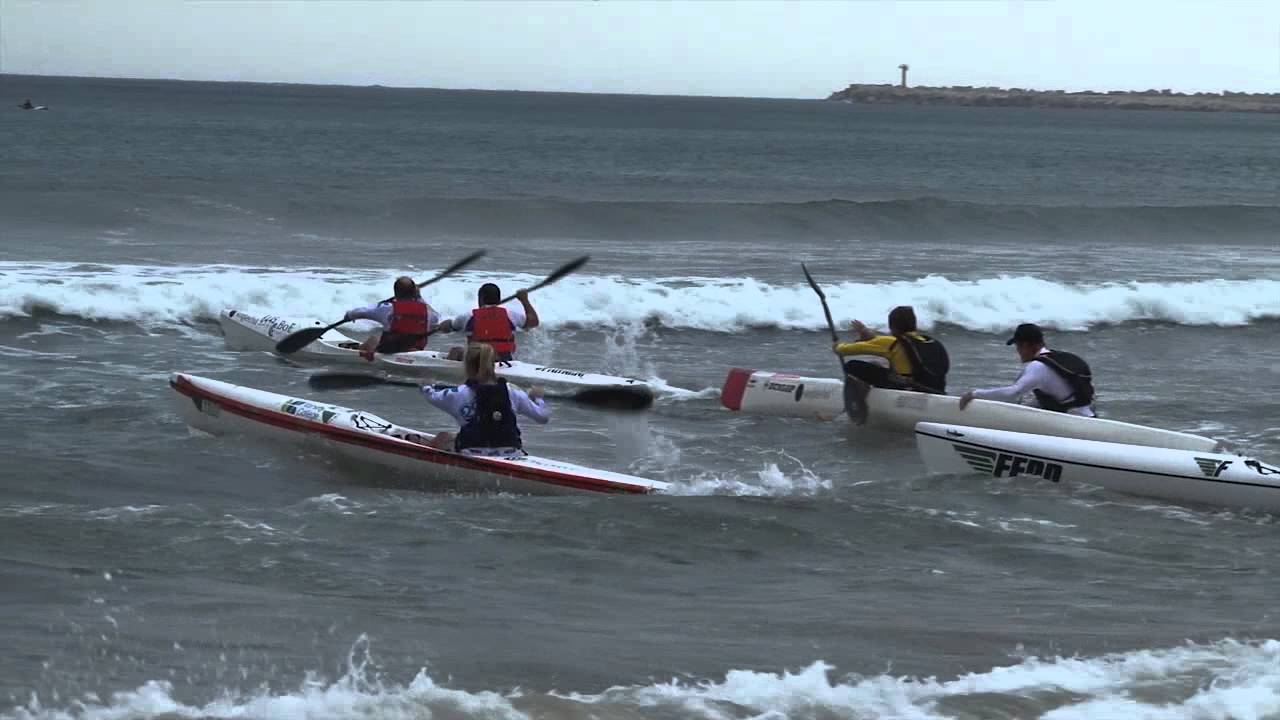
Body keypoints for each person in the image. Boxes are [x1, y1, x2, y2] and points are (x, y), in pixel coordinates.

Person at [422, 343, 549, 456]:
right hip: (510, 451)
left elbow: (431, 396)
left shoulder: (457, 393)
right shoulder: (512, 391)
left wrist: (427, 385)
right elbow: (542, 417)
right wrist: (537, 399)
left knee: (443, 437)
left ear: (467, 366)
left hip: (471, 452)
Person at [959, 323, 1095, 417]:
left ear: (1025, 345)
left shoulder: (1037, 367)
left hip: (1072, 424)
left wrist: (974, 394)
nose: (1018, 351)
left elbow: (1013, 392)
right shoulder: (1053, 359)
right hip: (1086, 417)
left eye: (1018, 346)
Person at [832, 306, 949, 394]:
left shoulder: (892, 342)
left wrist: (837, 346)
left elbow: (843, 350)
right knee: (879, 364)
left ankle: (862, 399)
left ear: (892, 327)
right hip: (936, 389)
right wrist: (867, 334)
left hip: (907, 389)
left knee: (852, 366)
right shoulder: (930, 342)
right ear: (914, 325)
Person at [435, 282, 539, 361]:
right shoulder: (510, 314)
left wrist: (443, 325)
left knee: (455, 351)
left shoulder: (468, 316)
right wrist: (524, 300)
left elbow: (449, 327)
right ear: (498, 300)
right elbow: (534, 322)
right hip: (505, 359)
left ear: (481, 299)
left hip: (478, 361)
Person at [342, 276, 440, 360]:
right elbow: (436, 318)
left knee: (372, 340)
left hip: (389, 352)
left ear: (395, 292)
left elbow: (361, 312)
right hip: (415, 352)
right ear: (414, 292)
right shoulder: (427, 311)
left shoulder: (388, 308)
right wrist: (419, 297)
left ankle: (355, 349)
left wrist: (349, 316)